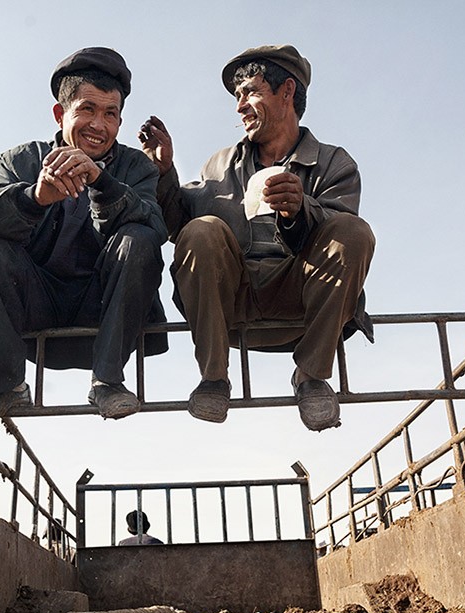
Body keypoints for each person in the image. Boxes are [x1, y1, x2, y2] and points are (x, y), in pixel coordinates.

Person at [139, 44, 375, 431]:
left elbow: (344, 239)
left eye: (250, 92)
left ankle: (311, 376)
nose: (239, 106)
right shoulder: (219, 164)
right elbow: (177, 227)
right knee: (201, 230)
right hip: (233, 301)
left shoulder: (334, 163)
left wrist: (302, 208)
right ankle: (214, 378)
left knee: (354, 230)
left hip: (301, 301)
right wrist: (163, 172)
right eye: (237, 96)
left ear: (287, 91)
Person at [0, 47, 168, 422]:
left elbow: (157, 230)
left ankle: (107, 382)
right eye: (87, 109)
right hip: (34, 310)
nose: (99, 125)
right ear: (60, 114)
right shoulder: (22, 160)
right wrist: (34, 198)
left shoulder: (136, 166)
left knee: (141, 238)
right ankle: (6, 387)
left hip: (103, 310)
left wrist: (104, 184)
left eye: (110, 114)